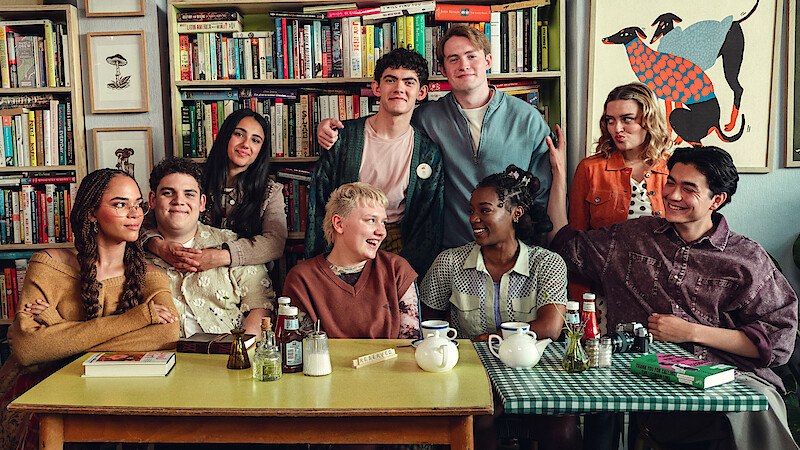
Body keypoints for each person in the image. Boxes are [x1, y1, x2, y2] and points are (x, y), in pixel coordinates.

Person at [548, 145, 798, 449]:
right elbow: (566, 245)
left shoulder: (747, 258)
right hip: (654, 391)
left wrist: (691, 332)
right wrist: (559, 173)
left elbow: (778, 342)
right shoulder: (632, 237)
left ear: (716, 200)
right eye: (671, 182)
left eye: (688, 188)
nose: (673, 194)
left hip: (730, 386)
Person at [318, 25, 555, 250]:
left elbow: (542, 191)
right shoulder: (428, 117)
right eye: (453, 59)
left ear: (488, 61)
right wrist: (335, 129)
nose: (463, 64)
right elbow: (390, 118)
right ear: (443, 70)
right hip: (450, 250)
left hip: (511, 248)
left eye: (471, 56)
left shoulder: (528, 118)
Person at [0, 169, 179, 448]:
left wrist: (59, 333)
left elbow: (166, 337)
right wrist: (138, 318)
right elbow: (27, 350)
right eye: (120, 204)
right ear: (92, 212)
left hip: (119, 396)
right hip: (41, 394)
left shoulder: (152, 276)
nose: (135, 213)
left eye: (138, 204)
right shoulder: (48, 264)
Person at [420, 165, 576, 450]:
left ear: (515, 213)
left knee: (563, 430)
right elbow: (429, 324)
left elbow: (550, 327)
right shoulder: (450, 263)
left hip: (533, 374)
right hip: (470, 373)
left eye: (485, 210)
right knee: (479, 421)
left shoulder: (547, 263)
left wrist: (489, 340)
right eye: (471, 211)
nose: (474, 219)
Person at [569, 82, 671, 450]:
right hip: (604, 295)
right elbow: (576, 242)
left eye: (627, 119)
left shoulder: (672, 167)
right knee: (602, 391)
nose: (617, 128)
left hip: (659, 296)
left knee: (656, 385)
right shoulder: (591, 169)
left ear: (648, 119)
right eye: (610, 120)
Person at [306, 48, 444, 276]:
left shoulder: (428, 153)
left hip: (398, 242)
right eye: (391, 80)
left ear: (422, 92)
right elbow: (320, 204)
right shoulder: (342, 138)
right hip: (345, 238)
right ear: (376, 87)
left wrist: (405, 272)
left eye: (409, 82)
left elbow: (429, 224)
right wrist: (323, 262)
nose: (399, 88)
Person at [145, 157, 276, 338]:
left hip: (226, 355)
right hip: (161, 357)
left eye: (189, 194)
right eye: (168, 193)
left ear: (202, 203)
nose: (179, 200)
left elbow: (261, 306)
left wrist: (239, 350)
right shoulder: (136, 252)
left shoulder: (232, 245)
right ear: (152, 199)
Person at [144, 108, 287, 271]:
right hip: (184, 268)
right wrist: (158, 246)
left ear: (261, 150)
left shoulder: (270, 192)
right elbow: (144, 220)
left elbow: (275, 243)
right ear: (226, 136)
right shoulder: (192, 179)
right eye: (239, 134)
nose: (246, 144)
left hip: (245, 276)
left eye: (255, 140)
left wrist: (221, 256)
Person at [284, 182, 420, 339]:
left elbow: (410, 345)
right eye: (371, 220)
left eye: (383, 222)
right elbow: (300, 351)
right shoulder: (301, 279)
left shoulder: (397, 269)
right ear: (339, 224)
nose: (382, 232)